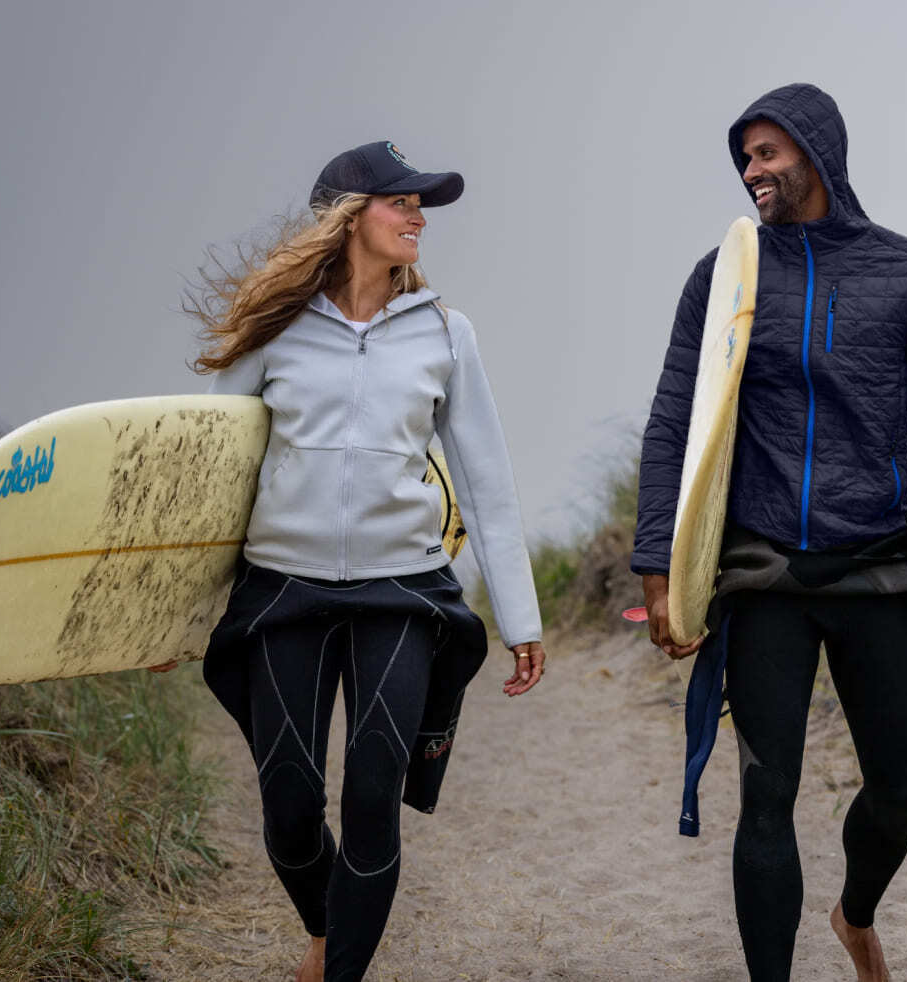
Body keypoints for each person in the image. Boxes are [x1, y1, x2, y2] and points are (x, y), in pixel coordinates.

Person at [631, 83, 907, 982]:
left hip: (875, 566)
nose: (752, 172)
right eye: (745, 158)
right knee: (767, 795)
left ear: (816, 151)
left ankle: (855, 913)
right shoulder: (725, 280)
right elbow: (672, 423)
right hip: (764, 577)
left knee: (897, 786)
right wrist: (658, 563)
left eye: (767, 153)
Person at [174, 140, 546, 982]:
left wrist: (521, 618)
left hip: (402, 593)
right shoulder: (272, 330)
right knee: (291, 811)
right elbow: (209, 479)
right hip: (284, 591)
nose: (419, 217)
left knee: (373, 797)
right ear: (347, 216)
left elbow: (487, 485)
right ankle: (325, 927)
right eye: (402, 202)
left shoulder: (446, 334)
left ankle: (340, 969)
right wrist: (177, 613)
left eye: (422, 205)